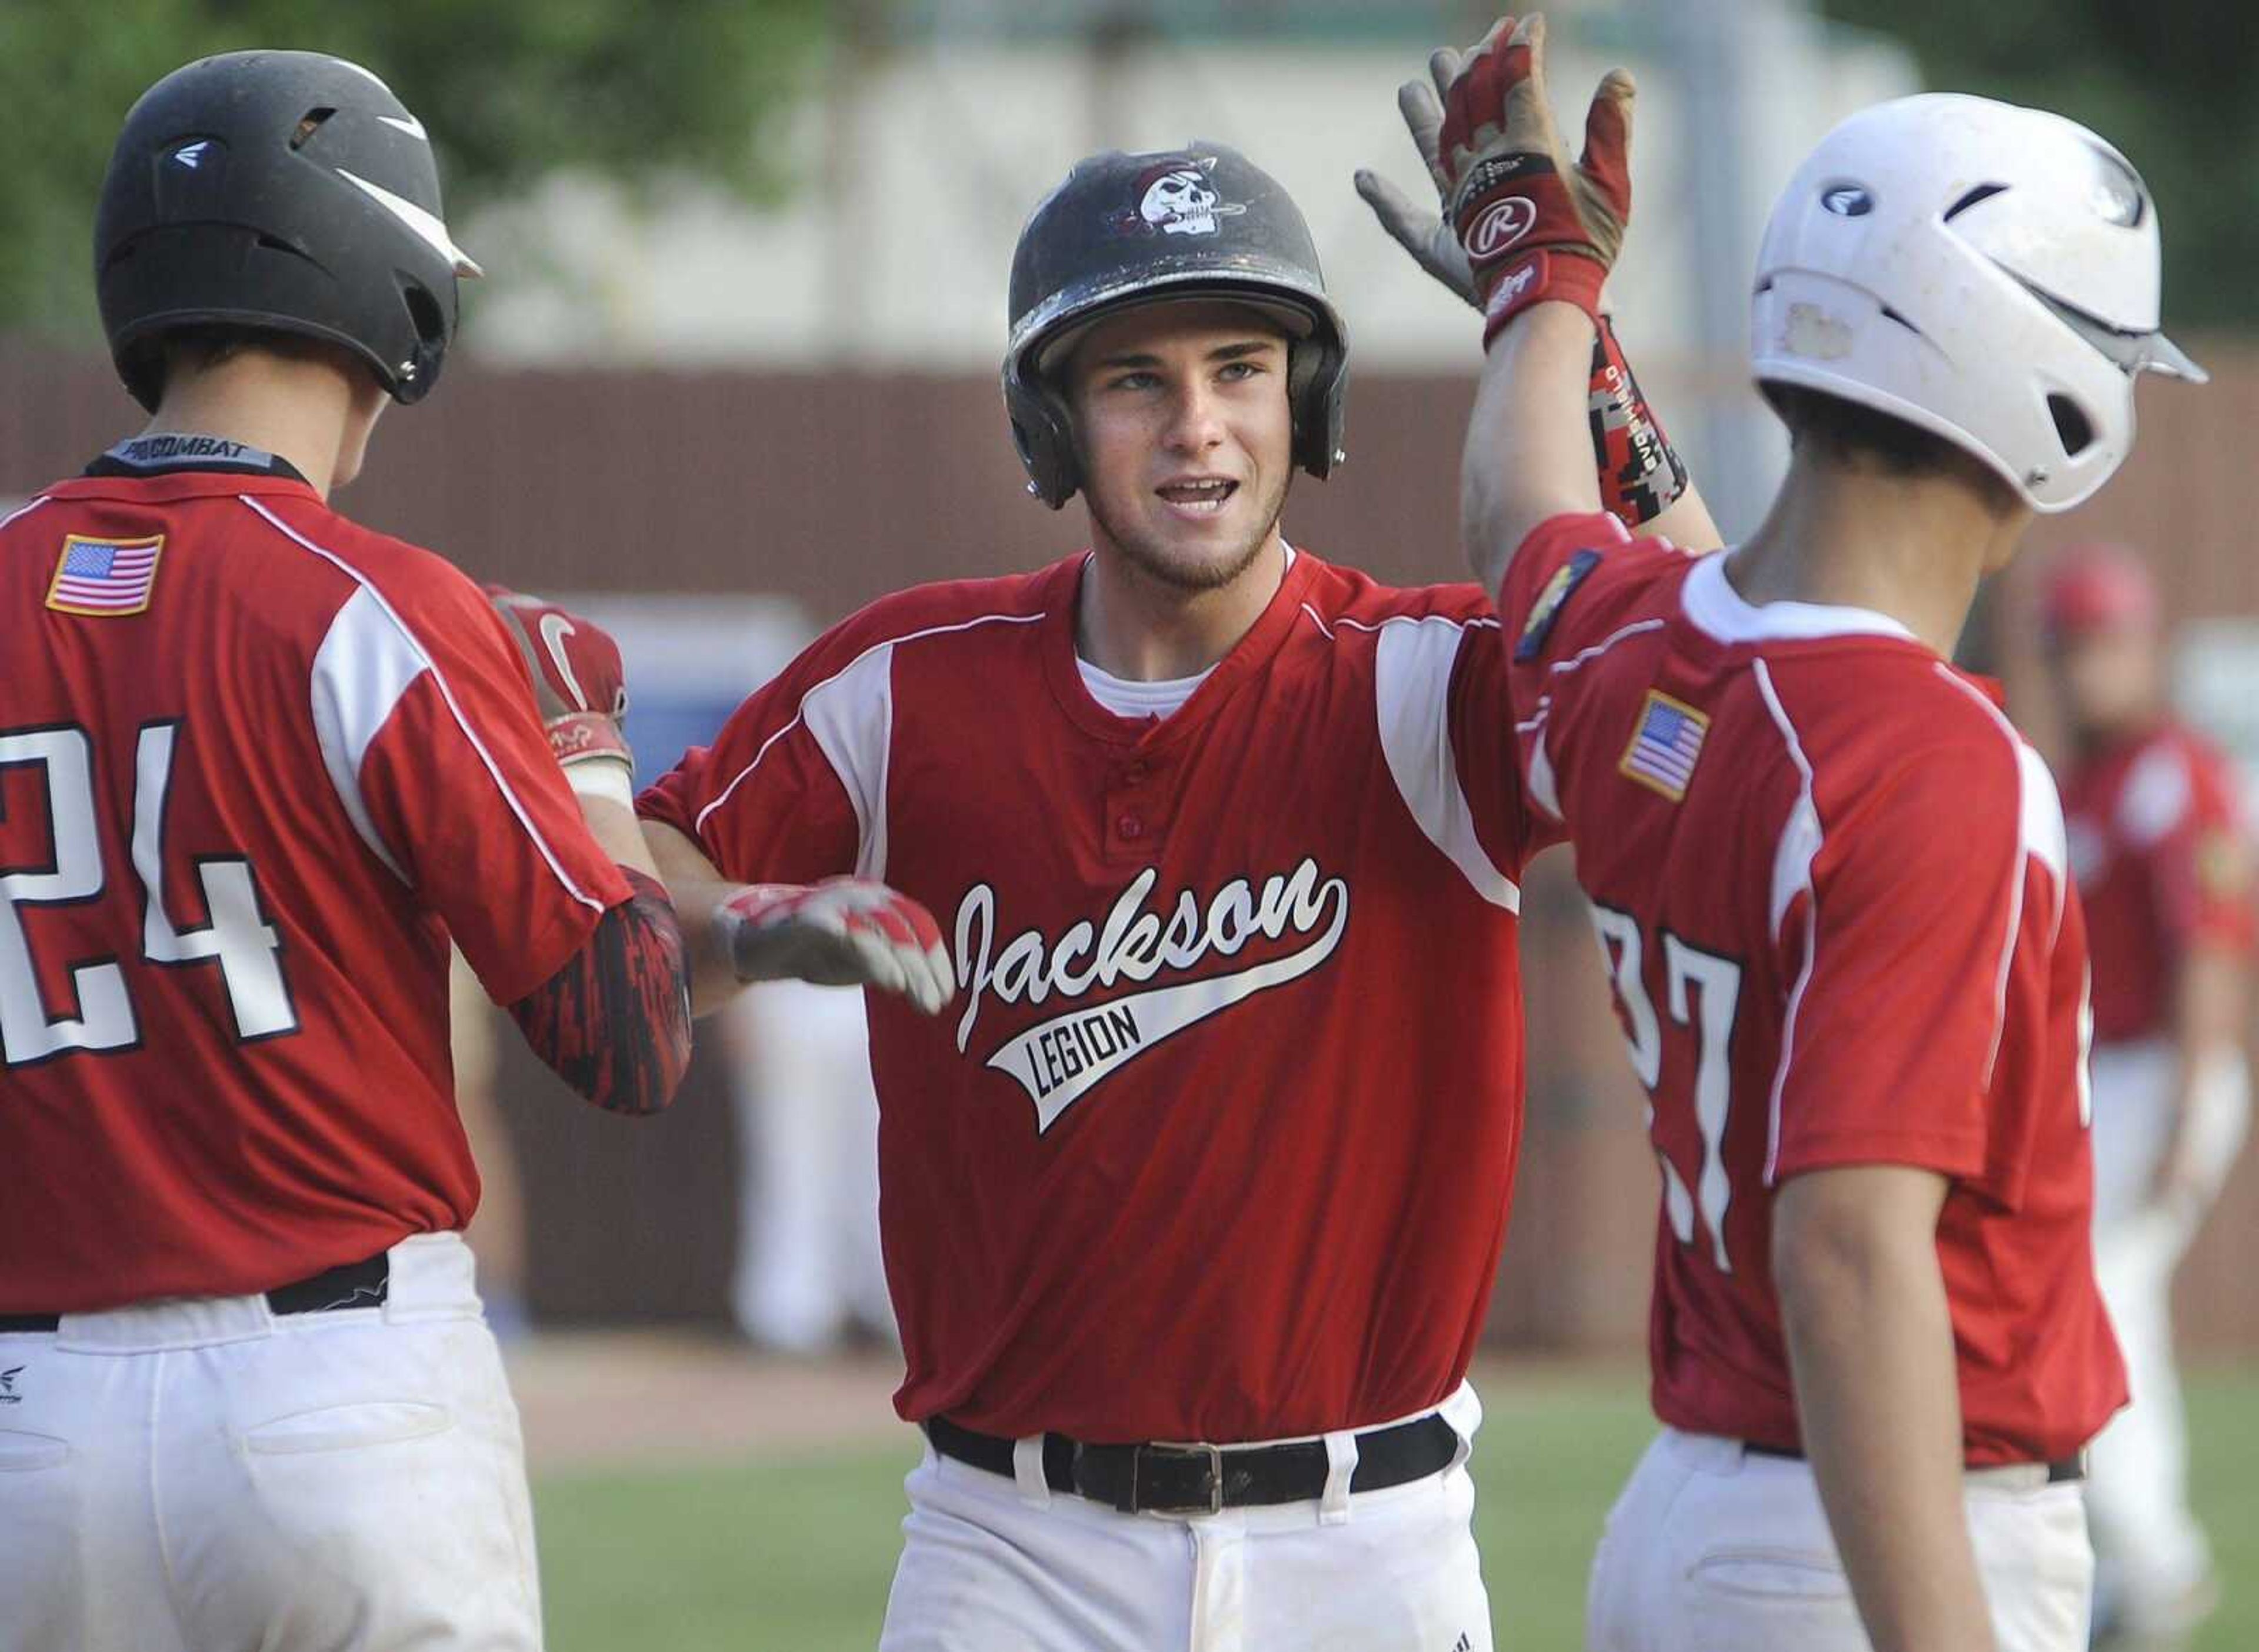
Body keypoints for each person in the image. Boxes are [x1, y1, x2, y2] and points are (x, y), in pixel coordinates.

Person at [637, 139, 1699, 1651]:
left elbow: (1740, 691)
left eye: (1242, 368)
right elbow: (645, 898)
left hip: (1368, 1549)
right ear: (1052, 421)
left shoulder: (1424, 681)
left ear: (1305, 402)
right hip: (1006, 1547)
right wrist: (749, 927)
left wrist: (1571, 347)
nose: (1198, 425)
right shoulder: (904, 687)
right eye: (1136, 378)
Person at [0, 49, 926, 1652]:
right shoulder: (375, 610)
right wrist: (592, 775)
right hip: (330, 1405)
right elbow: (621, 1033)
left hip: (27, 1427)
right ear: (382, 282)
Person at [1372, 14, 2204, 1651]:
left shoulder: (1637, 653)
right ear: (2050, 398)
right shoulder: (1938, 760)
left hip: (1692, 1512)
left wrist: (1544, 296)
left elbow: (1530, 521)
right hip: (1873, 1534)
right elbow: (1846, 1252)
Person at [2040, 546, 2253, 1651]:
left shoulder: (2173, 770)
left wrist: (2192, 1097)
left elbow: (2208, 944)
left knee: (2097, 1295)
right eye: (2070, 648)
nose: (2085, 671)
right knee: (2101, 1302)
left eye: (2103, 645)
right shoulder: (2085, 782)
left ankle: (2155, 1560)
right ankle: (2136, 1558)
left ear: (2145, 648)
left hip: (2163, 1069)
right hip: (2104, 1075)